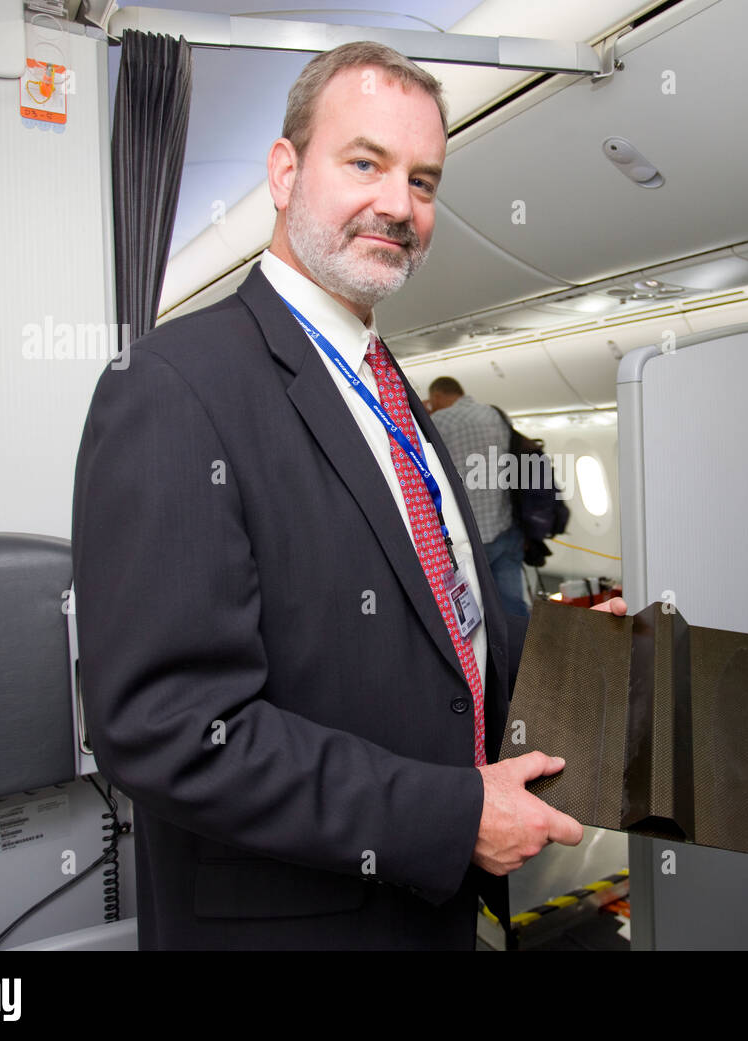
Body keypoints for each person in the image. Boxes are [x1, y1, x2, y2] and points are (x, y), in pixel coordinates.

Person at [71, 41, 625, 951]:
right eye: (364, 162)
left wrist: (611, 664)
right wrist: (448, 816)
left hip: (427, 914)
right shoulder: (173, 384)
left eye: (423, 180)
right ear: (285, 172)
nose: (398, 205)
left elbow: (449, 615)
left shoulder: (383, 382)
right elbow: (166, 727)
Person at [426, 377, 529, 617]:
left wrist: (423, 415)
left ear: (438, 397)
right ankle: (521, 652)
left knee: (476, 612)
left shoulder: (438, 421)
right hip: (505, 527)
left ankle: (488, 654)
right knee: (513, 606)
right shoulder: (495, 415)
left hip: (469, 538)